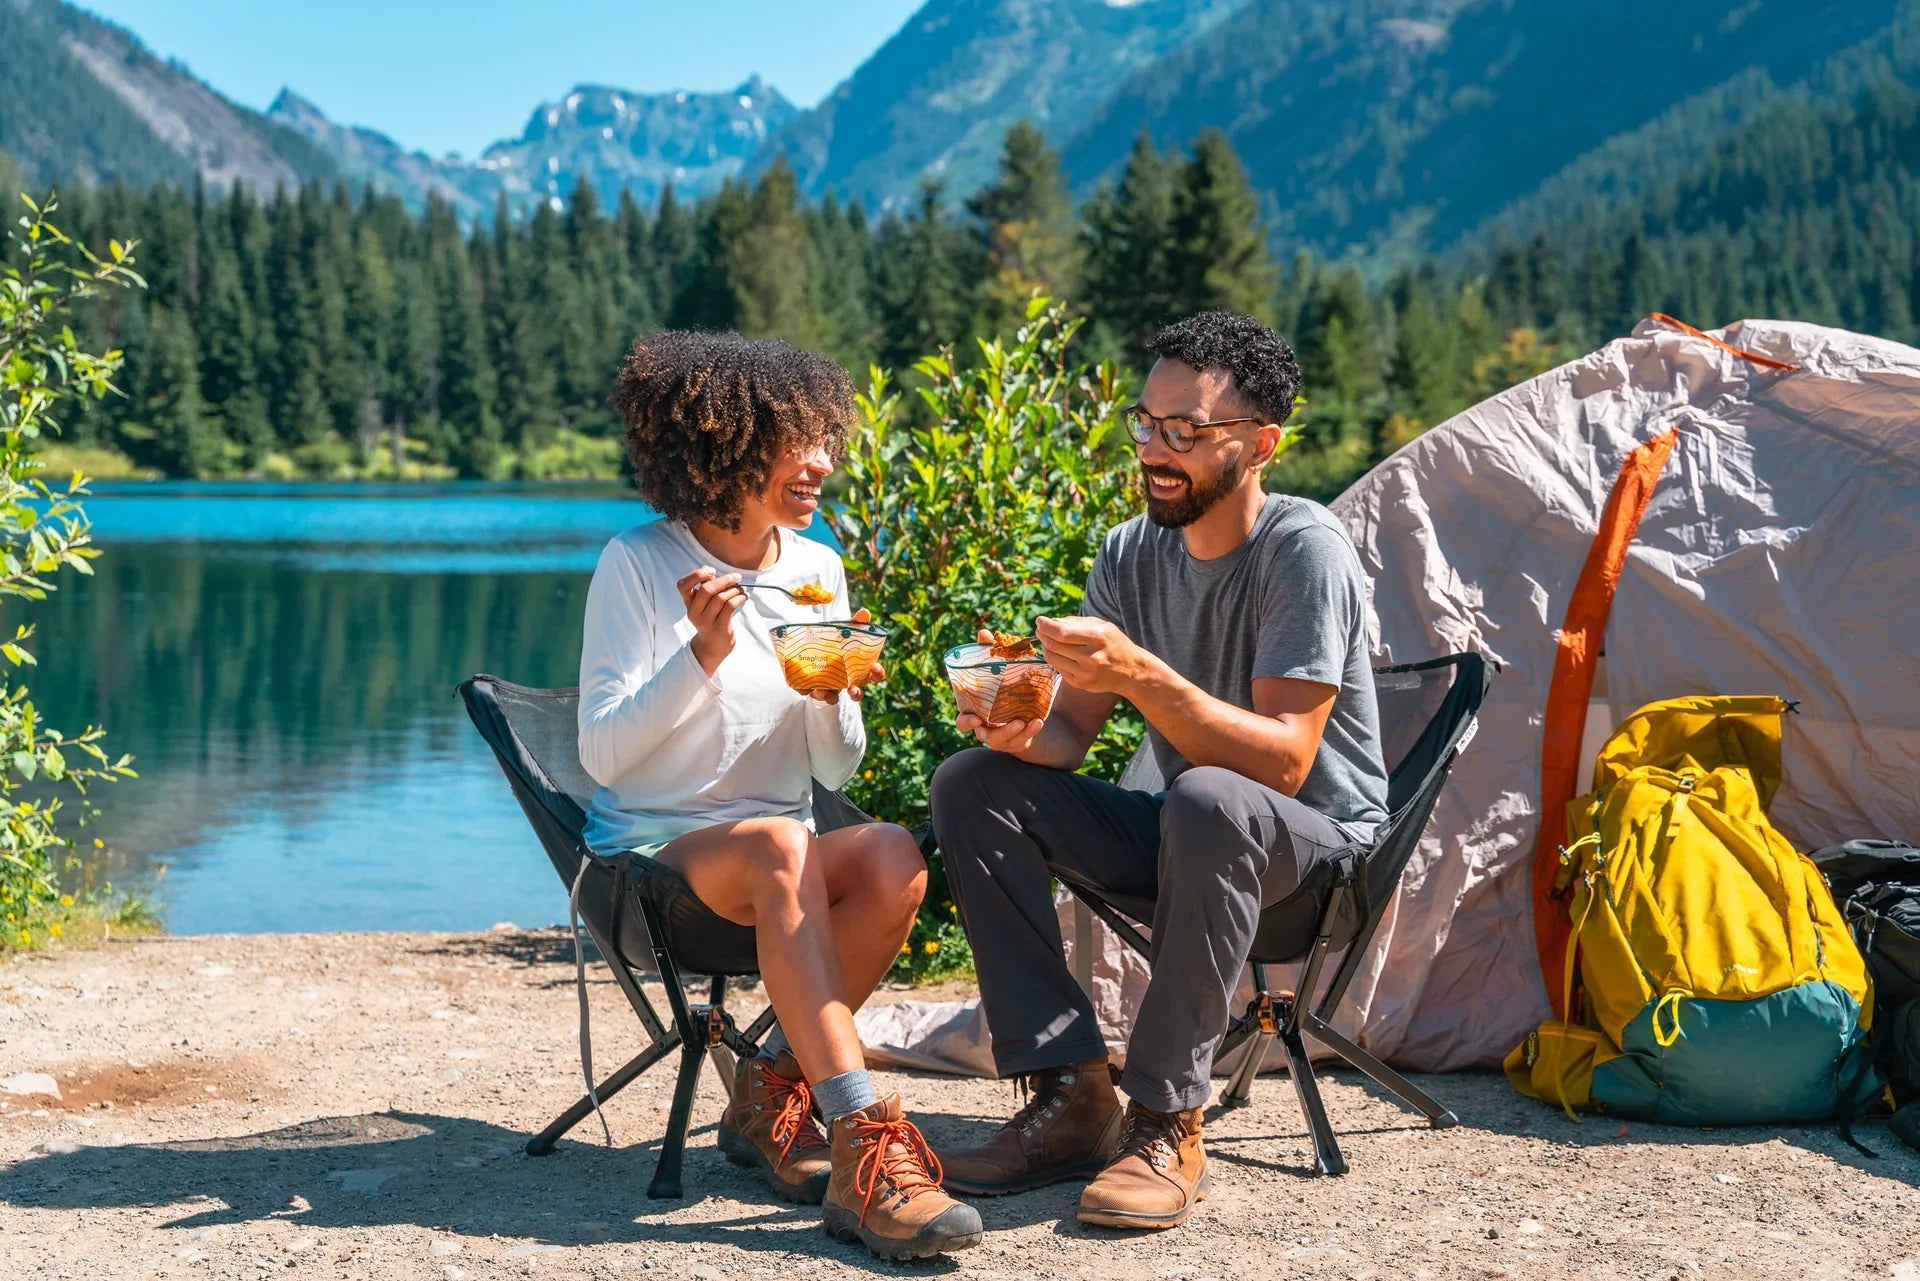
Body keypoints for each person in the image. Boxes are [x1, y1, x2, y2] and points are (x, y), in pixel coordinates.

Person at [931, 311, 1388, 1231]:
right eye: (1147, 422)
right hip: (1192, 834)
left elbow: (1289, 762)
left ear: (1260, 444)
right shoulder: (1130, 553)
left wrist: (1143, 672)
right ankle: (1072, 1094)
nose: (1155, 448)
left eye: (1187, 430)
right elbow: (1066, 741)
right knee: (971, 783)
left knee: (1210, 794)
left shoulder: (1303, 549)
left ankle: (1169, 1115)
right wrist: (1013, 728)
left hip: (1314, 860)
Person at [579, 330, 980, 1260]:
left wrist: (834, 697)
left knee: (890, 853)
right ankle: (865, 1141)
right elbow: (602, 754)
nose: (823, 462)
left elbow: (832, 771)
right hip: (652, 864)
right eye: (794, 441)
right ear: (722, 444)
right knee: (775, 841)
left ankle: (769, 1093)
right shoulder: (637, 564)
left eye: (824, 437)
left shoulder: (815, 568)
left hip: (779, 863)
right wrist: (702, 656)